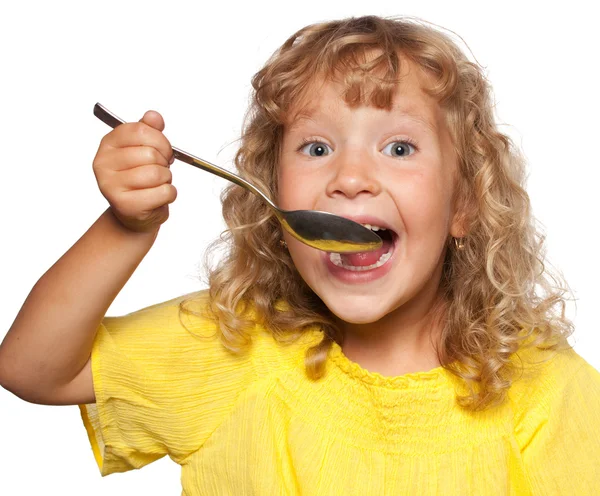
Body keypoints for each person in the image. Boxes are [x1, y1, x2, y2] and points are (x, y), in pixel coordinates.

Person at [1, 14, 599, 495]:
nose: (350, 176)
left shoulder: (547, 394)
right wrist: (127, 228)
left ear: (464, 203)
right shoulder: (232, 349)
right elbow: (30, 368)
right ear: (273, 191)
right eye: (316, 147)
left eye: (398, 146)